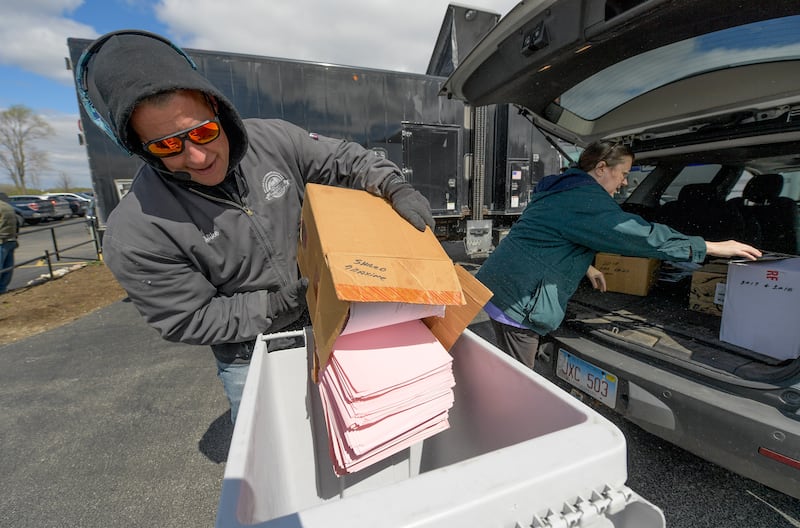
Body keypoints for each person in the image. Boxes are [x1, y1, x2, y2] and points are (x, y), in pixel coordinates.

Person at [76, 30, 435, 423]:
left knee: (361, 428)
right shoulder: (137, 231)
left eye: (202, 132)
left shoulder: (274, 140)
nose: (195, 156)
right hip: (252, 355)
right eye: (166, 146)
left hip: (331, 324)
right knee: (276, 468)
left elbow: (344, 159)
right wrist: (278, 304)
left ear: (215, 106)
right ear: (137, 145)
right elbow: (186, 318)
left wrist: (391, 184)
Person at [477, 140, 762, 369]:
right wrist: (709, 246)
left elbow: (548, 235)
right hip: (519, 304)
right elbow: (637, 235)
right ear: (602, 168)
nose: (625, 182)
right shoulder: (586, 200)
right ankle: (516, 434)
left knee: (501, 366)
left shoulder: (562, 189)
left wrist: (587, 267)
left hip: (499, 287)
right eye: (623, 173)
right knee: (518, 384)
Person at [0, 193, 19, 294]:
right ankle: (2, 288)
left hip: (1, 240)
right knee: (7, 267)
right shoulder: (7, 206)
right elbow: (17, 223)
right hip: (11, 239)